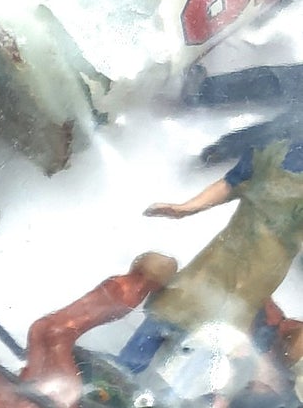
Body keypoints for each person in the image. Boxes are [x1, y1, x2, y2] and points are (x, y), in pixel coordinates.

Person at [119, 137, 303, 372]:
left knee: (220, 331)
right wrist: (186, 208)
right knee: (175, 306)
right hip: (225, 251)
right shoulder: (270, 149)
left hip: (262, 270)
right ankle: (126, 367)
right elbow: (230, 183)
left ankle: (176, 386)